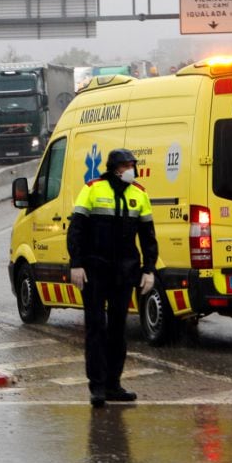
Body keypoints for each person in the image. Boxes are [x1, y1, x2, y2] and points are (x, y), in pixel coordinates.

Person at [67, 148, 158, 408]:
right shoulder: (93, 189)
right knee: (96, 327)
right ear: (116, 168)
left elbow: (148, 236)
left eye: (133, 164)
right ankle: (97, 386)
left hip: (124, 272)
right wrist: (76, 263)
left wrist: (149, 269)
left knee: (118, 329)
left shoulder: (139, 194)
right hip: (95, 270)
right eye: (127, 165)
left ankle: (113, 384)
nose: (132, 168)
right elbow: (77, 229)